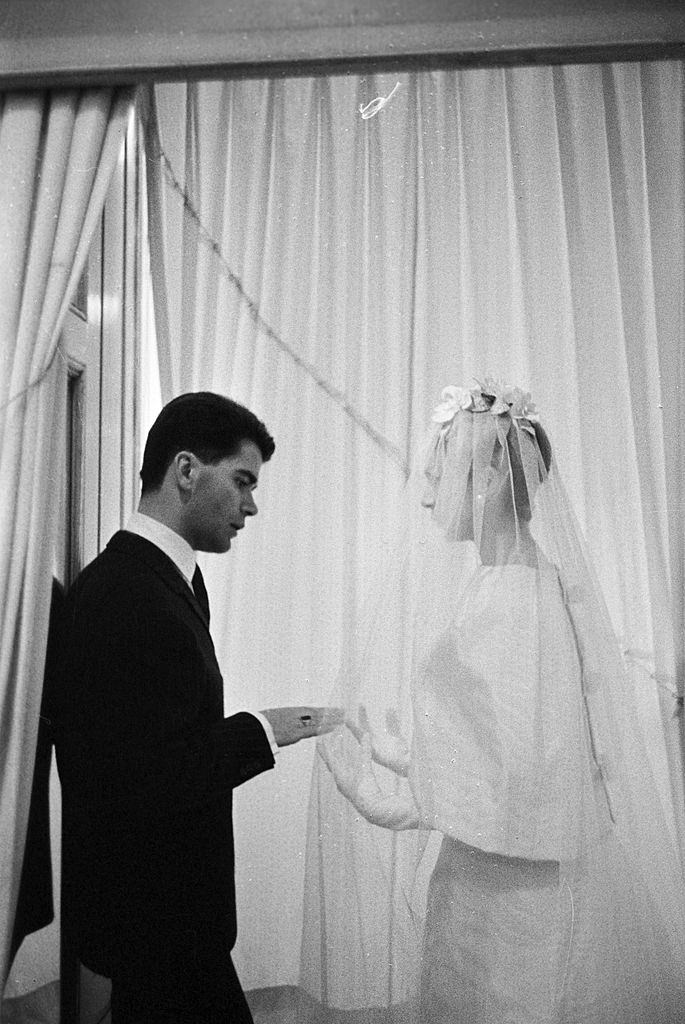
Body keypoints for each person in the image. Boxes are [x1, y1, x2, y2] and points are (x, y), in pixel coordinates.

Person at [298, 379, 685, 1023]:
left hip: (507, 892)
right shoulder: (520, 582)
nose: (425, 496)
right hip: (501, 876)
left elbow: (526, 778)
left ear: (486, 484)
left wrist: (389, 798)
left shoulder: (511, 600)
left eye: (437, 477)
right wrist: (399, 755)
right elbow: (498, 739)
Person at [50, 391, 337, 1024]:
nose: (251, 505)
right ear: (185, 471)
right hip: (157, 932)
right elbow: (140, 776)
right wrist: (265, 731)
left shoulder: (163, 578)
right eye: (242, 481)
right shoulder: (125, 593)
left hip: (172, 931)